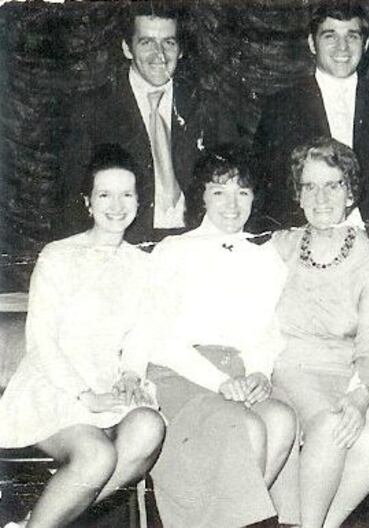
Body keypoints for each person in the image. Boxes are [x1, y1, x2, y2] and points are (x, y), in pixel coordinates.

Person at [0, 144, 165, 528]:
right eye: (105, 194)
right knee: (97, 456)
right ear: (88, 202)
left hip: (109, 384)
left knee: (149, 426)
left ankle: (33, 523)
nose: (117, 205)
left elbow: (142, 331)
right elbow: (42, 341)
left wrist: (129, 374)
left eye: (127, 194)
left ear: (139, 201)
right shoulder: (57, 256)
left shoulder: (144, 264)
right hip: (55, 385)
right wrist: (85, 395)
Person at [140, 146, 297, 527]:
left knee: (280, 419)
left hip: (241, 375)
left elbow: (269, 331)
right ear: (202, 196)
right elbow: (158, 335)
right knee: (246, 426)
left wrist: (259, 372)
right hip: (182, 374)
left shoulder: (265, 257)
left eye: (242, 192)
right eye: (219, 192)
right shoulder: (173, 250)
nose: (232, 204)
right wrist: (220, 382)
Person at [269, 137, 369, 528]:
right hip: (293, 367)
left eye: (333, 185)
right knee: (329, 426)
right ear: (299, 194)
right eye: (310, 186)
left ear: (350, 192)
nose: (321, 197)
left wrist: (359, 399)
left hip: (350, 372)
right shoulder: (279, 247)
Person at [61, 2, 236, 245]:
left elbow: (233, 184)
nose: (160, 55)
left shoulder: (209, 104)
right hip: (125, 246)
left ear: (181, 49)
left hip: (195, 244)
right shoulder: (92, 110)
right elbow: (72, 199)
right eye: (146, 42)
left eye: (169, 42)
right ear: (127, 48)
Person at [251, 1, 369, 237]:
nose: (343, 47)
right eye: (330, 36)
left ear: (366, 44)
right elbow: (269, 192)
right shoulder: (281, 108)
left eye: (352, 36)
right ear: (312, 43)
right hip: (307, 242)